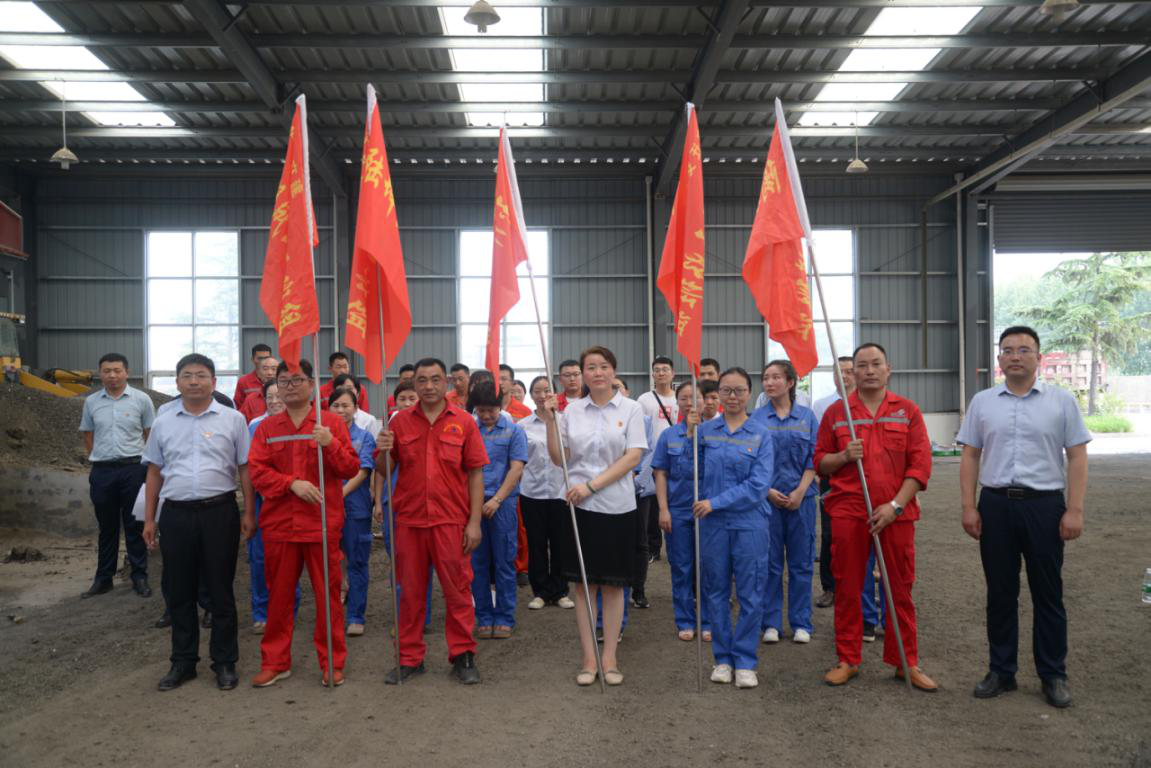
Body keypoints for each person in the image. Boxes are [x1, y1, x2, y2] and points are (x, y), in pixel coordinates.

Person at [957, 326, 1089, 709]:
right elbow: (970, 455)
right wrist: (969, 505)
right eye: (1008, 350)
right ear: (999, 358)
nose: (1015, 356)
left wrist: (1074, 509)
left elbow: (1077, 456)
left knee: (1048, 593)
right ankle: (1002, 671)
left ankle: (1053, 674)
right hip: (996, 505)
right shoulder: (983, 402)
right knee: (1000, 593)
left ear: (1038, 357)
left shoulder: (1061, 402)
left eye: (1024, 350)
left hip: (1044, 506)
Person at [815, 342, 936, 691]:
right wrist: (842, 456)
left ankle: (905, 661)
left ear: (888, 369)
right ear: (852, 372)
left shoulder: (907, 411)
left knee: (900, 587)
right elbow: (820, 461)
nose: (869, 371)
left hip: (896, 513)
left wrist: (895, 505)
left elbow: (920, 465)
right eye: (862, 365)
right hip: (848, 511)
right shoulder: (837, 413)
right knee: (848, 586)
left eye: (875, 364)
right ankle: (848, 659)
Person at [141, 353, 254, 692]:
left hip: (219, 512)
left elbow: (245, 468)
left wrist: (249, 512)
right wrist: (149, 518)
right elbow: (154, 471)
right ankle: (183, 661)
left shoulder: (233, 419)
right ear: (177, 383)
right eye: (187, 375)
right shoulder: (163, 422)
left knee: (221, 590)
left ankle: (225, 662)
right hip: (176, 514)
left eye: (201, 375)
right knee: (180, 591)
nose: (194, 381)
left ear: (213, 382)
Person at [247, 359, 361, 688]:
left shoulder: (330, 424)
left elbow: (350, 468)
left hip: (321, 524)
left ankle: (332, 662)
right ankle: (275, 662)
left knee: (328, 597)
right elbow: (257, 472)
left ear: (312, 385)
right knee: (279, 597)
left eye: (297, 380)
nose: (290, 386)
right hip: (281, 525)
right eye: (284, 381)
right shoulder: (267, 428)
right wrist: (290, 484)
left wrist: (330, 443)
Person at [376, 358, 487, 685]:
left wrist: (474, 522)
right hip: (410, 522)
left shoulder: (464, 422)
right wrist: (382, 451)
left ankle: (463, 655)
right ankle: (409, 658)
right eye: (422, 380)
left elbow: (476, 473)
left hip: (451, 521)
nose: (428, 386)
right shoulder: (398, 423)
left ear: (446, 383)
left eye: (435, 379)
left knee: (458, 590)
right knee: (409, 592)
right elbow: (384, 470)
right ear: (414, 384)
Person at [542, 346, 646, 687]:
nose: (597, 372)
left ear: (613, 371)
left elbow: (633, 457)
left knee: (614, 586)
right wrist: (550, 423)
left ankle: (610, 657)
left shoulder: (631, 409)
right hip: (579, 508)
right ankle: (589, 658)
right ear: (583, 374)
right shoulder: (571, 411)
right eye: (590, 367)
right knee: (584, 586)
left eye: (603, 366)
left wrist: (592, 485)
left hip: (617, 506)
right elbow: (560, 458)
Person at [696, 368, 774, 690]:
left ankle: (744, 660)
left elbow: (758, 485)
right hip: (713, 525)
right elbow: (692, 473)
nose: (732, 397)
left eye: (739, 390)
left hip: (750, 523)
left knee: (750, 593)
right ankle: (722, 659)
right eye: (726, 390)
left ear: (749, 394)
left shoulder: (761, 434)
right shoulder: (704, 431)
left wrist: (715, 502)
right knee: (715, 591)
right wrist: (688, 432)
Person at [79, 352, 156, 599]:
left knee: (135, 525)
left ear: (126, 372)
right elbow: (88, 434)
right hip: (102, 472)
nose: (112, 375)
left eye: (117, 370)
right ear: (100, 374)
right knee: (107, 527)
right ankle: (103, 579)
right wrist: (99, 457)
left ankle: (139, 576)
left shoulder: (142, 400)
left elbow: (150, 434)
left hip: (134, 469)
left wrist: (147, 467)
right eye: (107, 371)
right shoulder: (92, 402)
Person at [753, 360, 819, 645]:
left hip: (802, 501)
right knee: (770, 564)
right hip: (767, 501)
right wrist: (767, 490)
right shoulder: (756, 419)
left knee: (801, 563)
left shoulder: (807, 417)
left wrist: (801, 491)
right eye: (766, 377)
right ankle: (771, 623)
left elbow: (815, 456)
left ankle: (801, 622)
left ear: (790, 382)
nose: (769, 383)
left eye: (776, 377)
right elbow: (751, 460)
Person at [469, 381, 528, 639]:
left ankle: (504, 616)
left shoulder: (514, 431)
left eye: (491, 410)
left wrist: (497, 499)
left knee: (504, 561)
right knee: (477, 562)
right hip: (473, 504)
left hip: (502, 505)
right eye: (481, 410)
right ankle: (483, 615)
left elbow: (516, 468)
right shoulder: (470, 431)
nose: (486, 415)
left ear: (500, 406)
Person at [653, 381, 711, 641]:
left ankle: (708, 620)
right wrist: (663, 509)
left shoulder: (714, 434)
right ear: (677, 403)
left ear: (705, 401)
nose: (690, 403)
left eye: (695, 397)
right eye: (684, 398)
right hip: (677, 510)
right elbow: (660, 473)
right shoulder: (668, 436)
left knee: (709, 568)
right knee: (682, 568)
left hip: (708, 511)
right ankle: (685, 620)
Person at [519, 375, 574, 611]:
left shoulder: (566, 422)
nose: (542, 396)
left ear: (555, 394)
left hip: (561, 492)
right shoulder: (522, 426)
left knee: (561, 544)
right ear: (531, 395)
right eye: (537, 391)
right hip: (532, 492)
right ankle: (540, 591)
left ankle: (560, 591)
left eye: (546, 391)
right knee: (536, 543)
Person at [246, 377, 294, 634]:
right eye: (270, 397)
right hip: (263, 502)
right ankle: (262, 612)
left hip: (291, 501)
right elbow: (251, 467)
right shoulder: (255, 426)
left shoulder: (298, 424)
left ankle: (289, 611)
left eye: (279, 396)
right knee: (260, 558)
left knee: (290, 560)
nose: (275, 401)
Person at [328, 388, 377, 638]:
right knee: (329, 564)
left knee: (357, 562)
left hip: (355, 509)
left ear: (355, 409)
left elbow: (364, 470)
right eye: (335, 405)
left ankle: (356, 616)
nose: (340, 410)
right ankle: (332, 616)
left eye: (346, 405)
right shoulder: (321, 436)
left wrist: (339, 495)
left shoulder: (364, 437)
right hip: (325, 509)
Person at [812, 356, 855, 609]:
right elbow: (818, 444)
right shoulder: (822, 406)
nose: (845, 376)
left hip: (859, 478)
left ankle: (859, 587)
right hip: (830, 477)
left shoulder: (867, 403)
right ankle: (830, 587)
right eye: (840, 371)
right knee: (830, 533)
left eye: (850, 371)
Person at [636, 356, 679, 565]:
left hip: (676, 455)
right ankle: (654, 547)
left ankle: (676, 545)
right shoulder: (644, 399)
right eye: (657, 370)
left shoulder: (680, 398)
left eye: (665, 369)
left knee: (675, 499)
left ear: (673, 374)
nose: (661, 373)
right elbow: (640, 428)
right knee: (651, 504)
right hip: (652, 458)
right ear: (652, 374)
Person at [330, 373, 381, 438]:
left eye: (349, 389)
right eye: (340, 389)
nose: (344, 393)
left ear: (358, 393)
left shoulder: (369, 420)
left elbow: (373, 442)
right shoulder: (326, 420)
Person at [239, 356, 280, 423]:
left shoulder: (288, 396)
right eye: (265, 369)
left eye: (274, 369)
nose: (269, 372)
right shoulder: (251, 400)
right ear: (258, 373)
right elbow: (241, 423)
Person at [234, 343, 272, 410]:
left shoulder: (278, 380)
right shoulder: (244, 381)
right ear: (253, 359)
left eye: (266, 358)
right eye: (260, 358)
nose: (263, 361)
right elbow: (238, 407)